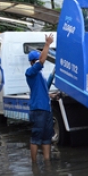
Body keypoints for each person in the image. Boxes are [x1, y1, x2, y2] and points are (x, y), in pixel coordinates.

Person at [25, 33, 55, 162]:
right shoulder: (30, 72)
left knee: (46, 138)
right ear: (33, 62)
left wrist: (51, 95)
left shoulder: (39, 76)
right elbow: (42, 60)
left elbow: (44, 88)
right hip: (38, 110)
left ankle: (47, 162)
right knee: (36, 137)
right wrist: (47, 44)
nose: (40, 61)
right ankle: (34, 164)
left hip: (46, 110)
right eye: (37, 60)